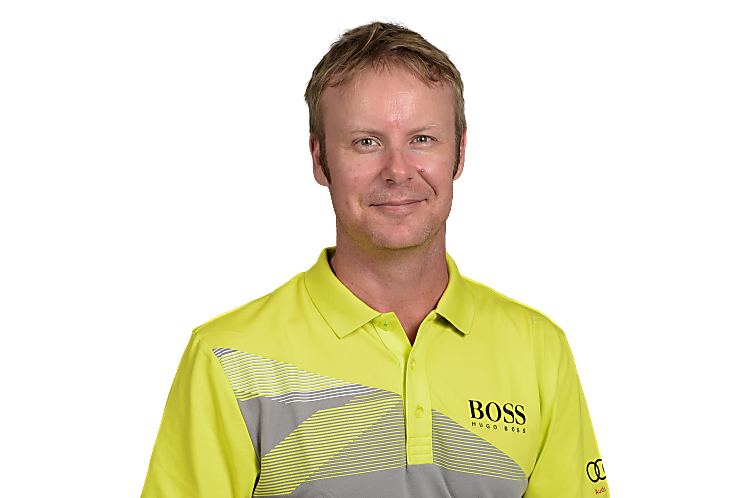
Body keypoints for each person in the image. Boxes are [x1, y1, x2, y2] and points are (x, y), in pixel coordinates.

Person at [140, 17, 608, 498]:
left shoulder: (539, 350)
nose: (397, 171)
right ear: (319, 160)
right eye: (366, 142)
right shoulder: (226, 357)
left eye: (422, 139)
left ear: (461, 154)